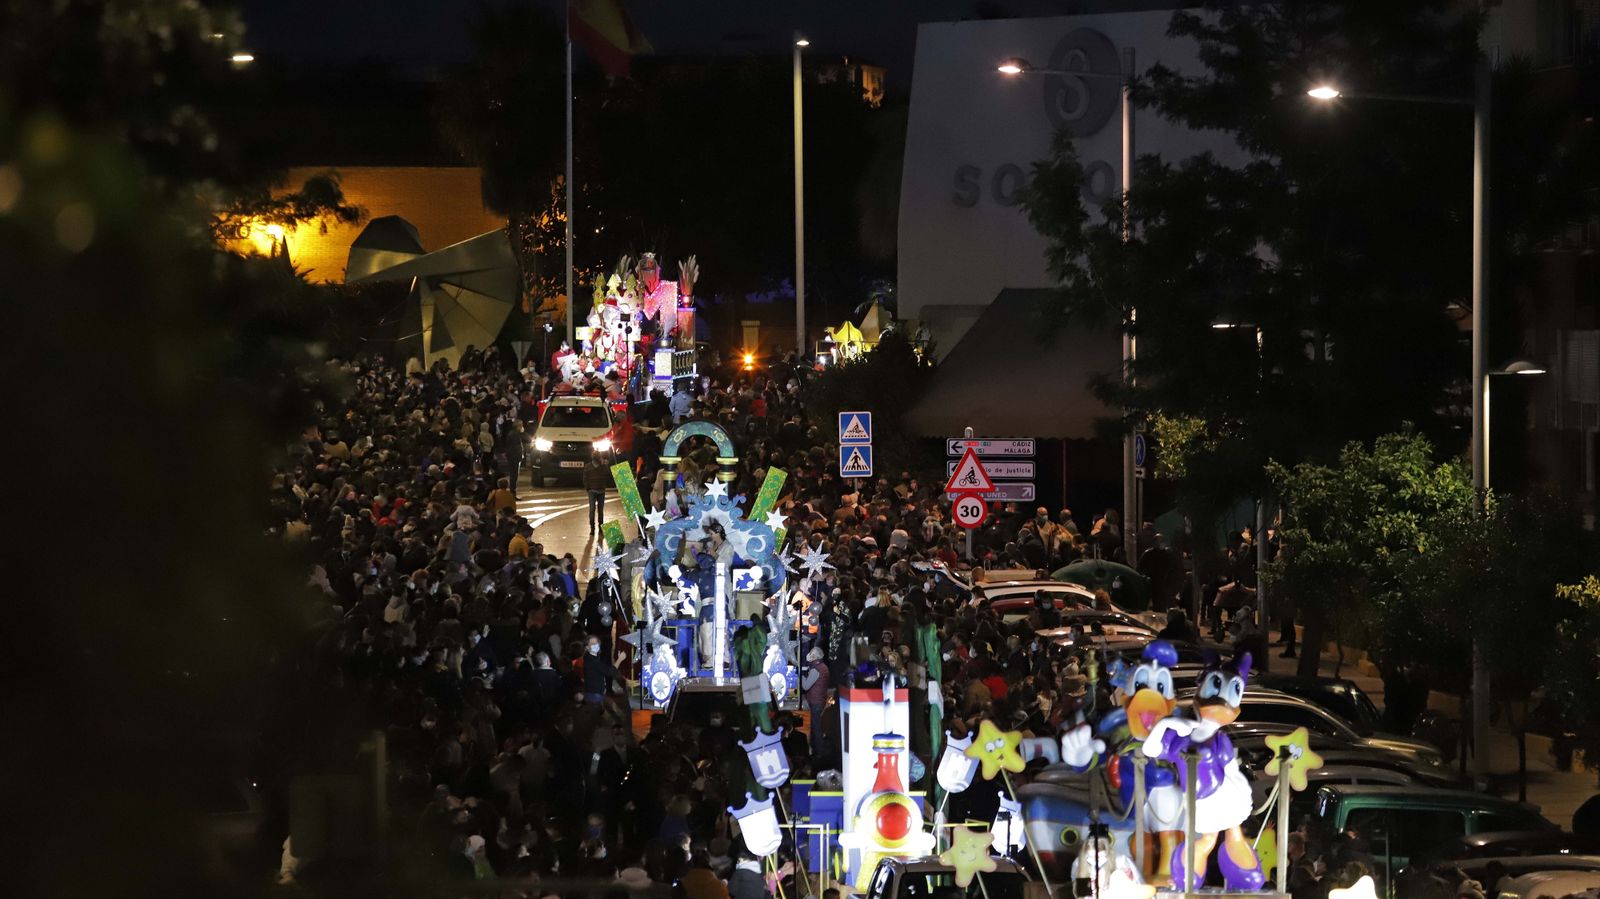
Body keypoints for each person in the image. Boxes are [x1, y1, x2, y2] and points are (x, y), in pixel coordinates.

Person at [583, 453, 610, 536]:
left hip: (600, 490)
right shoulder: (588, 467)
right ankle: (593, 528)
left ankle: (599, 528)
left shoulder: (602, 466)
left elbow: (607, 475)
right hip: (593, 491)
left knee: (598, 510)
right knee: (594, 510)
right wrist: (588, 488)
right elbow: (585, 478)